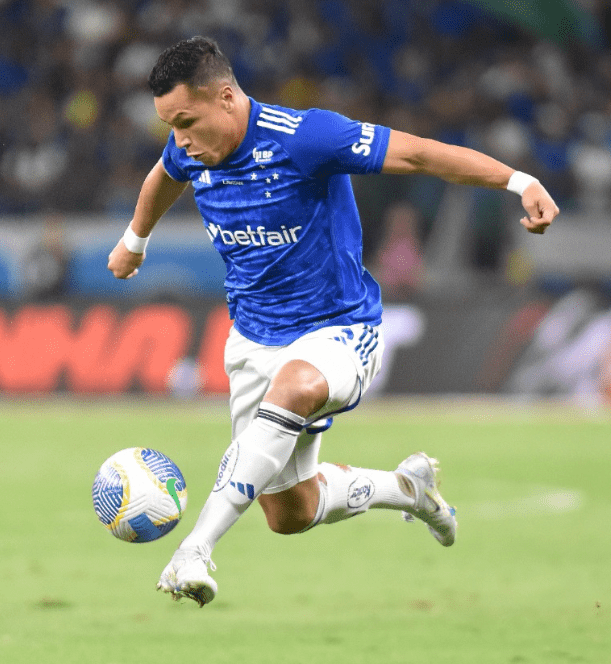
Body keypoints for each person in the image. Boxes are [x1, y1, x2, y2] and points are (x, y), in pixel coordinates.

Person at [106, 38, 559, 606]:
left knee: (296, 387)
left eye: (187, 122)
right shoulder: (191, 151)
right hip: (251, 340)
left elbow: (417, 154)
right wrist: (134, 240)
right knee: (289, 514)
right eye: (170, 127)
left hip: (338, 329)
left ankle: (195, 549)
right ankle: (407, 489)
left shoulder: (306, 137)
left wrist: (519, 181)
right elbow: (162, 175)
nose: (181, 141)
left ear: (226, 97)